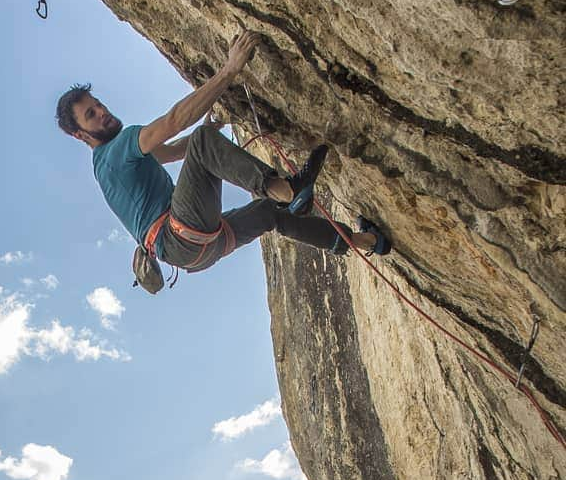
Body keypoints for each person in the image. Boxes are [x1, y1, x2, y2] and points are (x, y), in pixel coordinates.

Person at [55, 30, 388, 289]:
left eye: (98, 105)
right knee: (206, 145)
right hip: (180, 235)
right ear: (80, 134)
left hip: (193, 253)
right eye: (90, 114)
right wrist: (229, 70)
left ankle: (367, 241)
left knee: (268, 215)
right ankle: (287, 190)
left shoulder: (110, 165)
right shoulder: (117, 148)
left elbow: (173, 151)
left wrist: (212, 128)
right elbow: (174, 123)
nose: (102, 112)